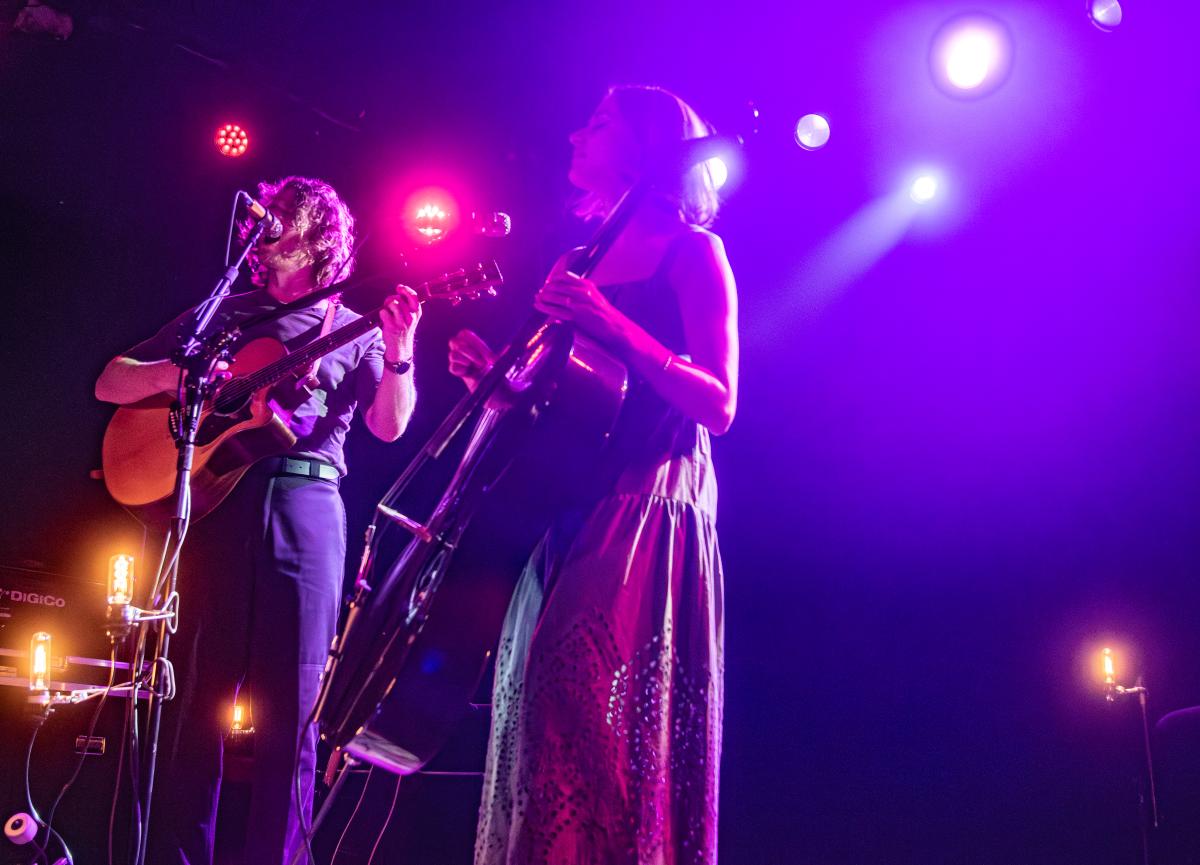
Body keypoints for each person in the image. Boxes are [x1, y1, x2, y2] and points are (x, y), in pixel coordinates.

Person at [94, 175, 422, 865]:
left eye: (278, 220)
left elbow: (390, 426)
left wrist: (400, 349)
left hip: (307, 511)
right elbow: (111, 379)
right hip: (218, 507)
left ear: (315, 238)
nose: (262, 228)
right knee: (190, 708)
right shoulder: (224, 312)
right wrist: (174, 379)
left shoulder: (350, 325)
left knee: (290, 714)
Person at [449, 85, 738, 865]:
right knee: (541, 710)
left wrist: (610, 321)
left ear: (647, 144)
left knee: (595, 712)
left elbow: (718, 401)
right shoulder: (577, 259)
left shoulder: (692, 251)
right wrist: (495, 385)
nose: (578, 131)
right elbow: (564, 395)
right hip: (567, 496)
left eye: (601, 123)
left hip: (649, 498)